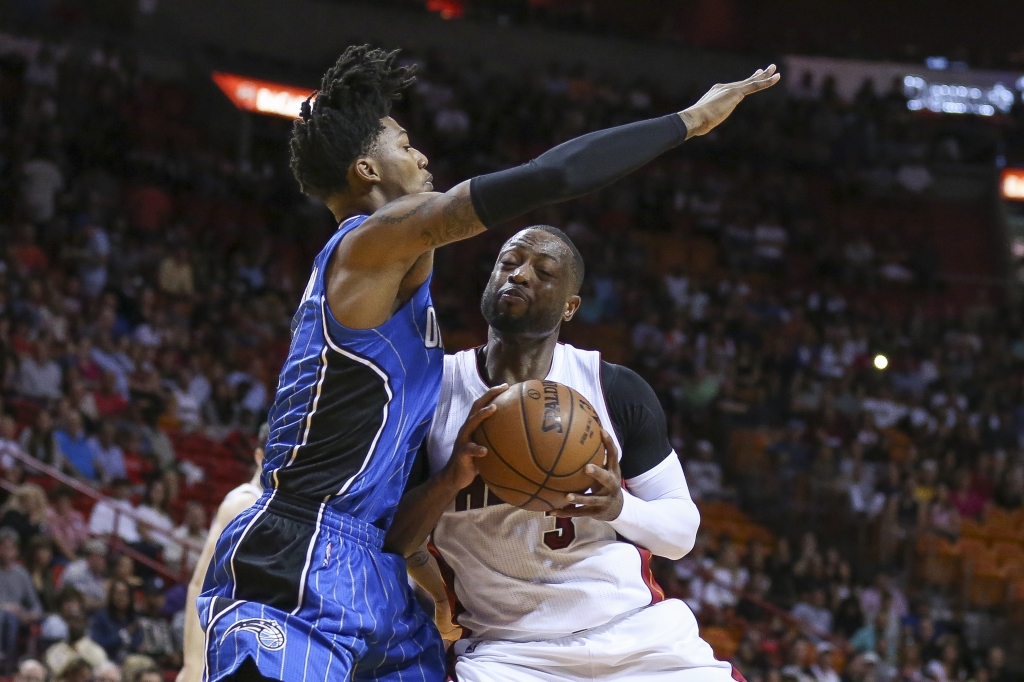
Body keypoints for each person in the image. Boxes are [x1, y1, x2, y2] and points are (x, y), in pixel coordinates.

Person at [199, 43, 778, 682]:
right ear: (367, 170)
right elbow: (551, 178)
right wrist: (690, 121)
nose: (421, 156)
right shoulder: (370, 244)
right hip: (304, 540)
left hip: (375, 563)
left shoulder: (405, 286)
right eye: (403, 142)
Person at [386, 226, 738, 680]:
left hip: (636, 634)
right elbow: (393, 542)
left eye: (544, 270)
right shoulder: (431, 395)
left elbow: (680, 536)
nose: (521, 275)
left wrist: (619, 506)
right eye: (508, 263)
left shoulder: (613, 389)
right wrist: (446, 481)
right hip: (509, 653)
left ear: (571, 306)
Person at [176, 427, 264, 682]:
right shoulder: (243, 503)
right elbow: (201, 584)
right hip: (228, 642)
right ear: (260, 457)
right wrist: (193, 662)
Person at [0, 527, 43, 671]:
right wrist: (4, 607)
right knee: (6, 617)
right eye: (4, 547)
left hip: (20, 618)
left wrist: (30, 614)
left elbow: (35, 604)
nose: (7, 552)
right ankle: (5, 663)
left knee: (12, 617)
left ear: (17, 551)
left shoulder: (21, 573)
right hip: (4, 616)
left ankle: (12, 663)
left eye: (11, 548)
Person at [44, 590, 109, 674]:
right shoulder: (54, 651)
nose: (73, 624)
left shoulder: (96, 652)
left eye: (77, 620)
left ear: (85, 623)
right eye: (70, 620)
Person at [90, 579, 142, 662]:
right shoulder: (101, 616)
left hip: (131, 661)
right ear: (111, 596)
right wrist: (124, 634)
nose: (122, 598)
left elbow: (138, 642)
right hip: (107, 660)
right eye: (118, 594)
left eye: (125, 594)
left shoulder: (134, 617)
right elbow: (97, 643)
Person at [135, 577, 179, 669]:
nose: (160, 599)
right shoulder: (136, 618)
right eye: (155, 595)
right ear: (146, 596)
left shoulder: (164, 621)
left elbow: (172, 649)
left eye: (161, 594)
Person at [60, 539, 109, 612]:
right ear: (92, 556)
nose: (103, 562)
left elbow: (102, 597)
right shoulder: (76, 570)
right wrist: (106, 603)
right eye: (101, 558)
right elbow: (83, 603)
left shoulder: (96, 574)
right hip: (69, 612)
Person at [47, 487, 89, 562]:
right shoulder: (51, 516)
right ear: (55, 503)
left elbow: (84, 538)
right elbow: (59, 543)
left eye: (67, 501)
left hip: (79, 550)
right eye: (61, 502)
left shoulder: (76, 515)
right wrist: (75, 560)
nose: (64, 505)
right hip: (60, 554)